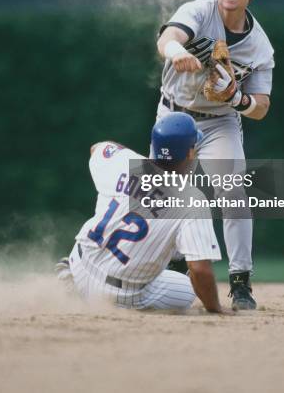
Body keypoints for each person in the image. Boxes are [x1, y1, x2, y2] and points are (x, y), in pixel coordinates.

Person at [155, 0, 275, 309]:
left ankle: (240, 283)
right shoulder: (199, 10)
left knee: (233, 191)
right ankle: (170, 268)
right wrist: (176, 50)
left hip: (220, 121)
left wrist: (237, 98)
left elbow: (261, 107)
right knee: (160, 196)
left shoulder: (260, 46)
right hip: (174, 116)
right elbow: (169, 36)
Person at [56, 112, 229, 314]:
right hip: (118, 294)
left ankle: (70, 278)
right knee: (187, 290)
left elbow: (97, 148)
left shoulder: (124, 161)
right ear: (189, 154)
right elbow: (199, 270)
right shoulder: (192, 200)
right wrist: (215, 308)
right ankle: (101, 298)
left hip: (79, 265)